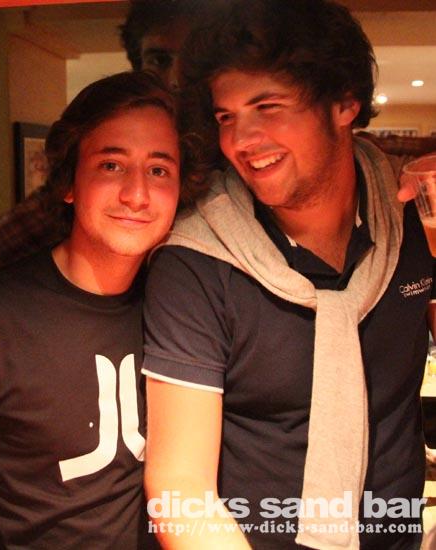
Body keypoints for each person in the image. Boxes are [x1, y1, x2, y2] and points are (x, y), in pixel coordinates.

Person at [142, 1, 435, 549]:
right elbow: (180, 487)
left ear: (344, 102)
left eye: (268, 106)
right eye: (226, 117)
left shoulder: (411, 215)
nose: (242, 140)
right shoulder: (198, 261)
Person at [0, 71, 181, 548]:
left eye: (158, 171)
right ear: (69, 183)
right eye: (111, 165)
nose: (137, 195)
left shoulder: (183, 308)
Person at [0, 0, 213, 272]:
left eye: (194, 63)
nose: (177, 78)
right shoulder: (79, 182)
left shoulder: (236, 165)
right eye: (160, 60)